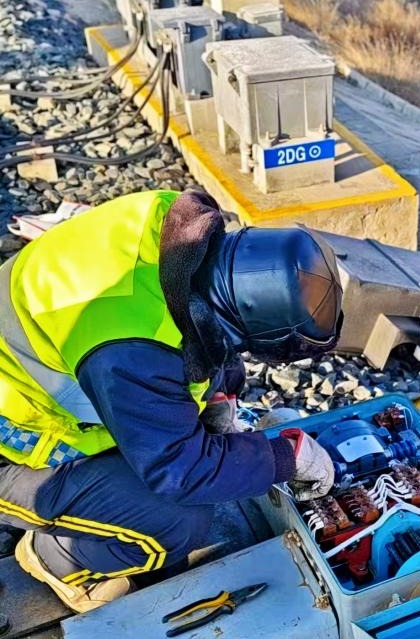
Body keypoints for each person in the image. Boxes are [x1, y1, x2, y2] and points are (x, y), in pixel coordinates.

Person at [0, 190, 340, 612]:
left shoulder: (178, 227)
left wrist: (220, 393)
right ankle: (56, 559)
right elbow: (177, 470)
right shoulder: (129, 347)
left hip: (50, 381)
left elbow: (205, 337)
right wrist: (286, 457)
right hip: (14, 452)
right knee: (178, 521)